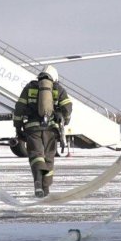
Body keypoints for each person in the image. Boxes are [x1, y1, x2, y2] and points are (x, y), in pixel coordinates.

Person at [12, 65, 73, 198]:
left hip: (32, 129)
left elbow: (19, 108)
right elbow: (67, 108)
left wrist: (18, 127)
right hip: (51, 130)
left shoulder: (29, 88)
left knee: (36, 156)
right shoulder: (58, 89)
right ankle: (45, 188)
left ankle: (38, 183)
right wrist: (63, 120)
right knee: (48, 159)